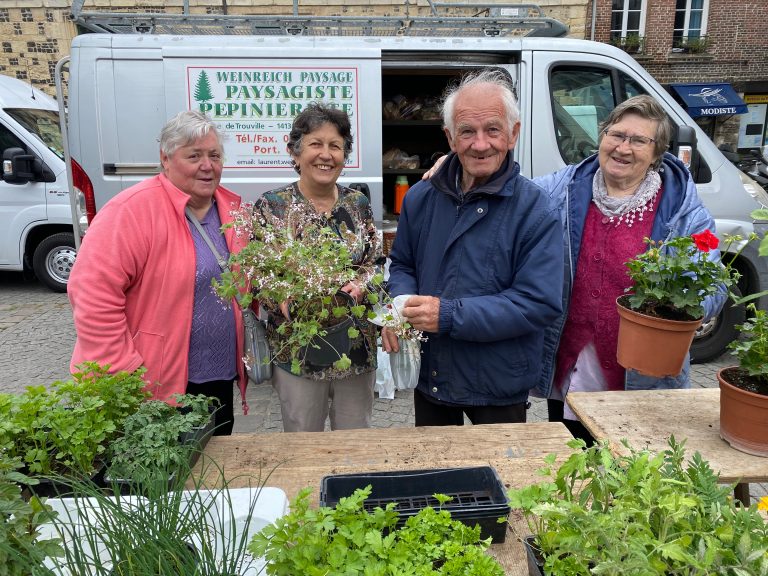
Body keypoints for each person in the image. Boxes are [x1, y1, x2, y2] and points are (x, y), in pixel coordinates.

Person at [534, 94, 726, 443]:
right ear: (602, 137)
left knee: (634, 476)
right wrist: (454, 167)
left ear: (657, 154)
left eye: (639, 140)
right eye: (616, 135)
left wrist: (680, 303)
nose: (623, 147)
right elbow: (508, 193)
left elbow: (713, 289)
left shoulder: (683, 210)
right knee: (572, 469)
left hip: (643, 379)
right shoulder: (562, 189)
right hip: (570, 371)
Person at [382, 68, 564, 426]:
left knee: (497, 479)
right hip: (433, 377)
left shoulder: (536, 209)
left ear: (513, 133)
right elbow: (402, 265)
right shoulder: (420, 198)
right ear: (450, 137)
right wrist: (399, 307)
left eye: (492, 129)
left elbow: (538, 303)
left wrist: (447, 316)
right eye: (467, 131)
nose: (480, 144)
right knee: (437, 479)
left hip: (498, 384)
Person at [68, 110, 247, 436]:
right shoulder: (132, 210)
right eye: (194, 156)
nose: (207, 165)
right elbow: (92, 292)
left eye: (214, 155)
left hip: (219, 375)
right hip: (155, 383)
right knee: (166, 476)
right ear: (165, 159)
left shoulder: (232, 210)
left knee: (216, 469)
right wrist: (121, 370)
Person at [255, 102, 380, 432]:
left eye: (335, 146)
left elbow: (375, 262)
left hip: (355, 350)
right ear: (295, 152)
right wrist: (286, 301)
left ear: (344, 155)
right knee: (301, 443)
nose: (326, 154)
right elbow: (259, 274)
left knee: (354, 445)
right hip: (298, 350)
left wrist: (364, 283)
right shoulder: (273, 206)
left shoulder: (358, 204)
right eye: (316, 144)